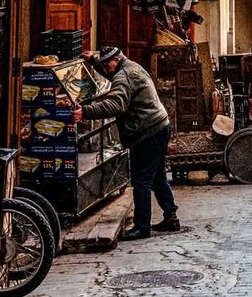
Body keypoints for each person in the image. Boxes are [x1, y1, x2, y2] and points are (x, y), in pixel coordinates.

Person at [72, 46, 179, 241]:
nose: (107, 67)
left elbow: (116, 104)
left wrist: (85, 111)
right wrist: (94, 62)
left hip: (148, 132)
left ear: (116, 59)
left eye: (107, 64)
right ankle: (171, 217)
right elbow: (112, 74)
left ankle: (142, 227)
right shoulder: (130, 66)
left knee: (141, 181)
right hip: (160, 125)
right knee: (157, 176)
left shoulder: (123, 76)